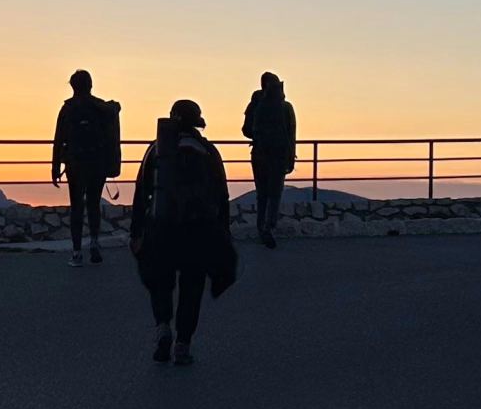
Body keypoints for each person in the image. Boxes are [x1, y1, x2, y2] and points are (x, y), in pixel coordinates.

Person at [129, 98, 235, 364]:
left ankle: (163, 327)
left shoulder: (158, 149)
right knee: (192, 287)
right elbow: (221, 195)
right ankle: (183, 345)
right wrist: (223, 233)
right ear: (197, 122)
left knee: (160, 282)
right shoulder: (207, 150)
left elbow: (142, 192)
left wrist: (136, 232)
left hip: (161, 226)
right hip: (198, 231)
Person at [50, 69, 122, 264]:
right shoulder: (102, 108)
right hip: (98, 163)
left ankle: (76, 252)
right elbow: (111, 134)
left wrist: (55, 166)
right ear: (90, 85)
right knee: (93, 203)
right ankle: (95, 244)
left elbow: (58, 138)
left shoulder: (68, 109)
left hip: (75, 164)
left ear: (73, 86)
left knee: (76, 206)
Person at [242, 70, 298, 248]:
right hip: (279, 156)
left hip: (259, 154)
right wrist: (291, 159)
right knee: (275, 193)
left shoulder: (255, 104)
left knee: (262, 193)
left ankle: (261, 227)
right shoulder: (287, 107)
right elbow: (291, 134)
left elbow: (246, 130)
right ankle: (269, 226)